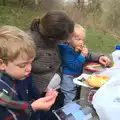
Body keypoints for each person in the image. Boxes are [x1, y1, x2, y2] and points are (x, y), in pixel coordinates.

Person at [0, 26, 58, 120]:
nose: (29, 68)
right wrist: (32, 107)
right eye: (22, 65)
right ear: (2, 64)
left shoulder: (24, 75)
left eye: (31, 62)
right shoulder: (3, 91)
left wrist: (44, 99)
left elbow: (33, 92)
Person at [58, 24, 111, 105]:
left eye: (83, 40)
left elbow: (88, 55)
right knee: (70, 96)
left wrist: (99, 57)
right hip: (68, 78)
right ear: (69, 39)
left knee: (79, 93)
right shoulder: (66, 50)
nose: (81, 42)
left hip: (77, 76)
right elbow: (73, 66)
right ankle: (67, 113)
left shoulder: (76, 47)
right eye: (78, 39)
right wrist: (82, 55)